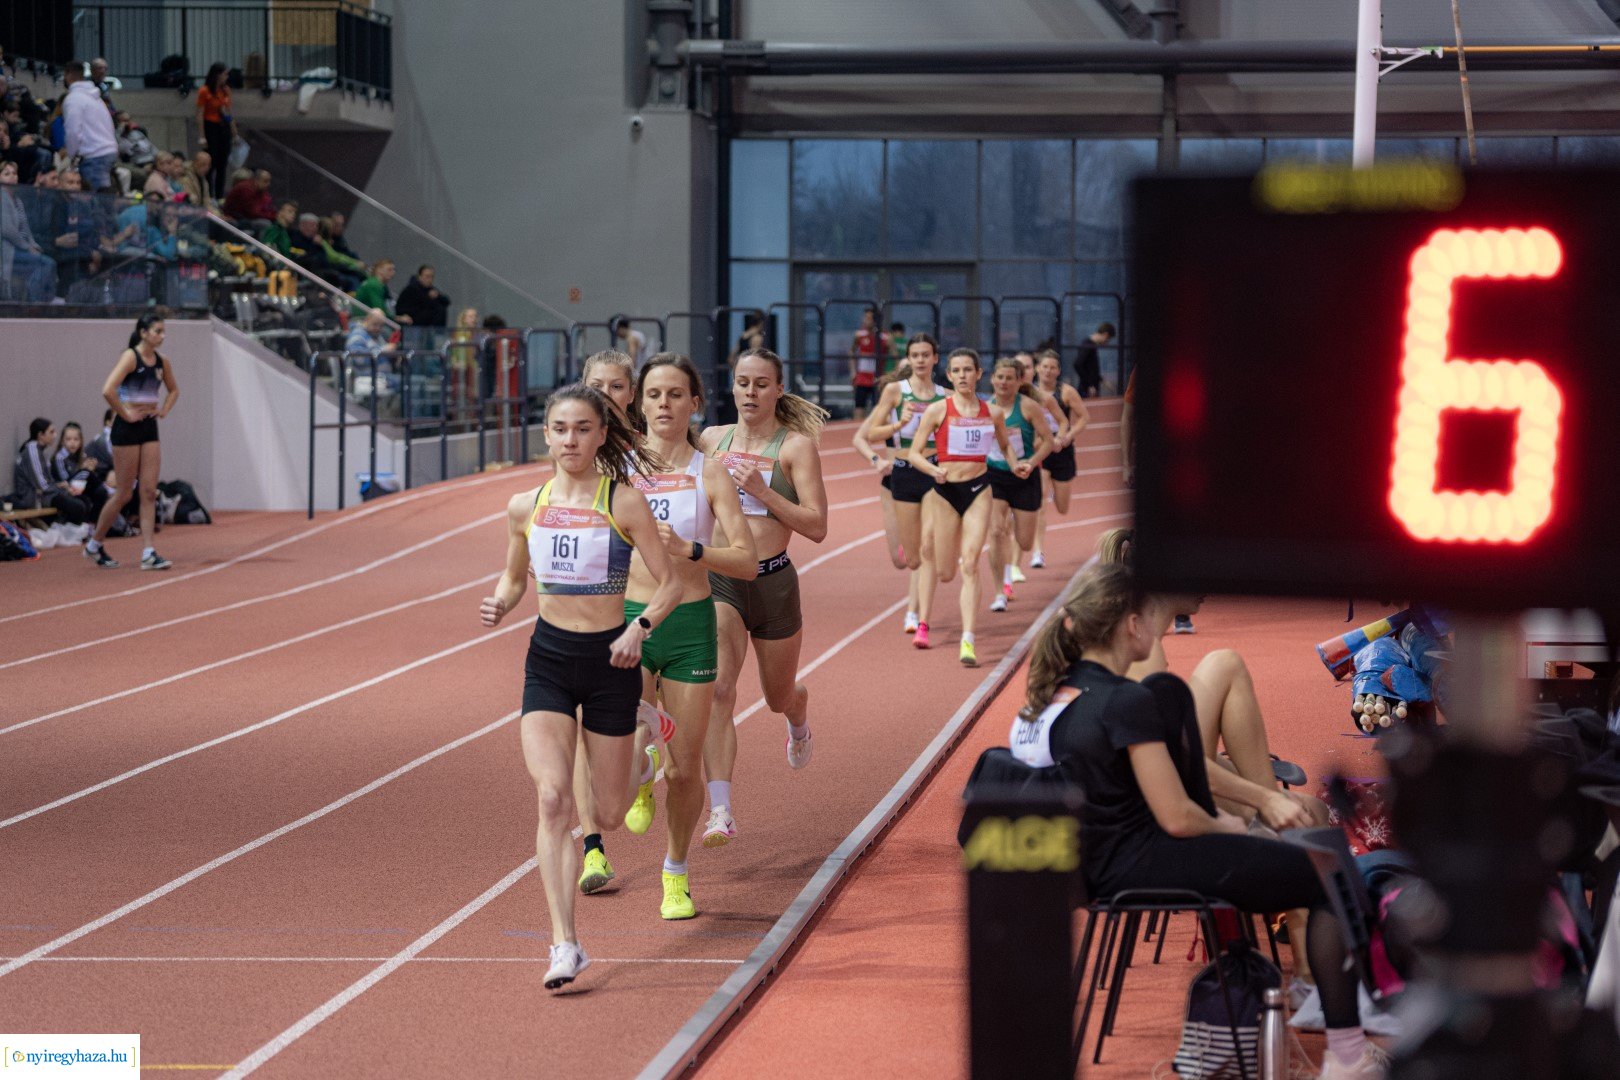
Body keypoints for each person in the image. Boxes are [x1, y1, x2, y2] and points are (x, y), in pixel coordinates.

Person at [1013, 563, 1386, 1079]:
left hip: (1080, 871)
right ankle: (1348, 1054)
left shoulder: (1042, 704)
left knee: (1174, 699)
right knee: (1325, 867)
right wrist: (1230, 827)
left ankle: (1260, 1021)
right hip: (1139, 865)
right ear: (1132, 625)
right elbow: (1179, 818)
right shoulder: (1125, 701)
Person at [478, 382, 681, 990]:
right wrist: (500, 601)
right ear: (546, 434)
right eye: (560, 429)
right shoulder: (525, 505)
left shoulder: (622, 503)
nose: (571, 439)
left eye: (583, 429)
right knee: (551, 799)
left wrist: (639, 629)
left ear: (600, 435)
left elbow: (668, 584)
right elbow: (515, 579)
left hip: (610, 663)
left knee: (612, 815)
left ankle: (646, 747)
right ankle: (565, 943)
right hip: (548, 659)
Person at [578, 354, 760, 918]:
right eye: (654, 394)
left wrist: (691, 550)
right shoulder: (617, 468)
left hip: (690, 624)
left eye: (676, 395)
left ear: (694, 403)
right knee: (623, 739)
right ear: (640, 402)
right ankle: (639, 777)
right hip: (629, 617)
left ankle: (675, 872)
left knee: (685, 769)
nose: (664, 405)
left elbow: (748, 561)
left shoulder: (711, 472)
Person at [698, 347, 829, 845]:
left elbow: (817, 526)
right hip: (723, 580)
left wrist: (764, 490)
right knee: (718, 689)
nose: (750, 392)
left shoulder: (794, 447)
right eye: (742, 383)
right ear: (731, 387)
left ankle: (798, 715)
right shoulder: (711, 440)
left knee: (777, 697)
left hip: (773, 583)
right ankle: (722, 810)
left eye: (760, 384)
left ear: (778, 389)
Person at [905, 347, 1016, 667]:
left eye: (969, 370)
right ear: (950, 376)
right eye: (957, 370)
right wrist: (932, 469)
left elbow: (1006, 447)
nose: (964, 375)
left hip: (980, 489)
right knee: (943, 569)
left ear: (979, 374)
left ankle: (968, 639)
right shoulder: (938, 410)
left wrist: (1016, 465)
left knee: (970, 564)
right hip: (944, 491)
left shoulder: (992, 413)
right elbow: (914, 453)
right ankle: (923, 620)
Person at [851, 333, 949, 642]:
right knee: (902, 558)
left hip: (931, 475)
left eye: (924, 356)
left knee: (926, 546)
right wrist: (876, 459)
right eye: (912, 358)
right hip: (897, 476)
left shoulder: (942, 396)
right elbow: (862, 437)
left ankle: (917, 613)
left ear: (933, 359)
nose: (917, 363)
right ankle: (915, 575)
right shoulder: (894, 395)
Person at [85, 314, 177, 570]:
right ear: (144, 332)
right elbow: (108, 389)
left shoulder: (162, 362)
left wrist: (164, 410)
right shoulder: (130, 357)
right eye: (158, 331)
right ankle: (94, 544)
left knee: (148, 491)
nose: (162, 336)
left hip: (148, 426)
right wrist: (125, 413)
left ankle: (148, 552)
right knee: (124, 493)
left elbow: (174, 390)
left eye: (163, 331)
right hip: (126, 428)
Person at [984, 358, 1052, 613]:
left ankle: (1013, 546)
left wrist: (1032, 462)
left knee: (1023, 542)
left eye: (1009, 378)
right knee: (996, 532)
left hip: (1025, 475)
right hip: (994, 474)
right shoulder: (984, 408)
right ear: (992, 379)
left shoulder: (1029, 407)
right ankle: (1000, 591)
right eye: (999, 377)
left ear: (1019, 381)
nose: (1003, 382)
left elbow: (1047, 440)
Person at [1030, 348, 1089, 569]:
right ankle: (1038, 551)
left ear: (1058, 371)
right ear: (1037, 368)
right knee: (1040, 500)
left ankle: (1056, 490)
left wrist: (1067, 436)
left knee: (1063, 507)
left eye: (1052, 367)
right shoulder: (1030, 392)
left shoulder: (1066, 392)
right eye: (1044, 366)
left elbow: (1084, 417)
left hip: (1062, 450)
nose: (1048, 371)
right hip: (1041, 449)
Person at [1, 158, 57, 301]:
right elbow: (7, 229)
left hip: (21, 247)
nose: (12, 176)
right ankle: (36, 300)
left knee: (46, 259)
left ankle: (43, 299)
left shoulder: (17, 199)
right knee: (47, 263)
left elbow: (26, 227)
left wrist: (33, 244)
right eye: (6, 173)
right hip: (8, 250)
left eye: (14, 173)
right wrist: (27, 247)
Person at [61, 61, 117, 193]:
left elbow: (73, 132)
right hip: (108, 151)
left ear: (68, 75)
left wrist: (71, 154)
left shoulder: (74, 99)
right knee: (102, 196)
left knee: (94, 202)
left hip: (94, 155)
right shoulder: (95, 97)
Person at [50, 421, 108, 525]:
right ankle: (88, 525)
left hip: (80, 488)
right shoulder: (59, 457)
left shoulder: (81, 456)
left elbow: (86, 478)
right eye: (68, 439)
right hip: (64, 491)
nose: (72, 443)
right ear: (62, 441)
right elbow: (66, 480)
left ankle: (93, 524)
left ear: (81, 441)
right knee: (84, 499)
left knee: (101, 491)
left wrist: (91, 469)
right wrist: (84, 470)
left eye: (76, 439)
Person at [195, 63, 235, 199]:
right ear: (217, 75)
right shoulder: (204, 91)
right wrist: (202, 136)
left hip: (223, 127)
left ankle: (219, 196)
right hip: (210, 126)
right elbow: (200, 114)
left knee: (222, 165)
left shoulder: (225, 91)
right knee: (211, 164)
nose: (227, 77)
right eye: (225, 74)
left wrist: (234, 132)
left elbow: (229, 113)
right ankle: (208, 195)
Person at [850, 306, 887, 421]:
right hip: (862, 378)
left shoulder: (885, 337)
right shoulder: (859, 335)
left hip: (877, 378)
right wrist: (853, 371)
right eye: (865, 317)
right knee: (859, 407)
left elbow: (894, 355)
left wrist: (889, 373)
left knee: (879, 409)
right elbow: (851, 351)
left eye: (869, 318)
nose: (866, 320)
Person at [395, 264, 449, 332]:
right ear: (420, 276)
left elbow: (446, 301)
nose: (430, 279)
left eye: (432, 277)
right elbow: (402, 308)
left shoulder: (431, 290)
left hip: (430, 328)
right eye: (427, 276)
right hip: (415, 327)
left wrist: (438, 296)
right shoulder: (411, 290)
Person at [1073, 322, 1115, 398]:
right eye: (1107, 339)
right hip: (1087, 390)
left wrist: (1102, 380)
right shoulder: (1087, 345)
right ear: (1105, 334)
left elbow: (1091, 368)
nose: (1106, 343)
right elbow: (1077, 364)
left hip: (1091, 389)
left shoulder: (1092, 345)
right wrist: (1089, 385)